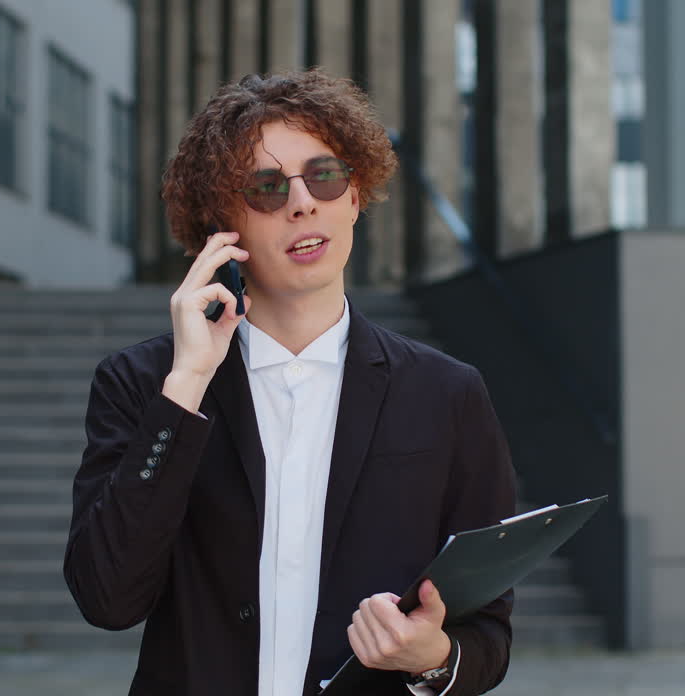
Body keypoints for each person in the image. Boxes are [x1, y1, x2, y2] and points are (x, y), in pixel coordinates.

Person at [63, 70, 517, 695]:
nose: (303, 203)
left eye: (325, 176)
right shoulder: (145, 384)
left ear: (355, 195)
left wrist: (432, 654)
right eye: (266, 188)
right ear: (224, 227)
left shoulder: (447, 394)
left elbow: (487, 635)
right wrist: (187, 383)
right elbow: (107, 598)